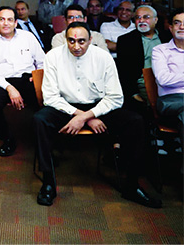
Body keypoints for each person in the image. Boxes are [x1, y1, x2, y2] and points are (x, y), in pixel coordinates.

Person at [34, 22, 161, 208]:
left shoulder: (103, 57)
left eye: (81, 41)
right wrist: (80, 115)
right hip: (66, 106)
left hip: (98, 105)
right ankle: (48, 183)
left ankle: (132, 186)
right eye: (71, 41)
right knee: (39, 120)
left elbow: (116, 97)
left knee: (136, 121)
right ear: (65, 40)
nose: (76, 46)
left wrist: (89, 115)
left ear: (90, 40)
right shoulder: (53, 56)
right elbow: (50, 98)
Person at [0, 6, 44, 157]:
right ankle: (8, 139)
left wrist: (36, 76)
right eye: (2, 19)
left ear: (16, 22)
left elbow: (42, 62)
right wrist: (9, 88)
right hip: (0, 80)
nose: (6, 23)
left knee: (46, 101)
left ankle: (43, 140)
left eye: (10, 20)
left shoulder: (28, 37)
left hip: (26, 78)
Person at [116, 5, 172, 106]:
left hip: (168, 82)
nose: (141, 20)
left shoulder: (167, 37)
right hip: (143, 84)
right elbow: (123, 71)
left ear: (155, 20)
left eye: (146, 17)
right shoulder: (126, 41)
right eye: (138, 17)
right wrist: (133, 93)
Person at [152, 8, 184, 126]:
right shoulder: (160, 50)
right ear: (171, 28)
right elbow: (163, 79)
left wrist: (176, 78)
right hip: (170, 100)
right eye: (177, 23)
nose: (182, 27)